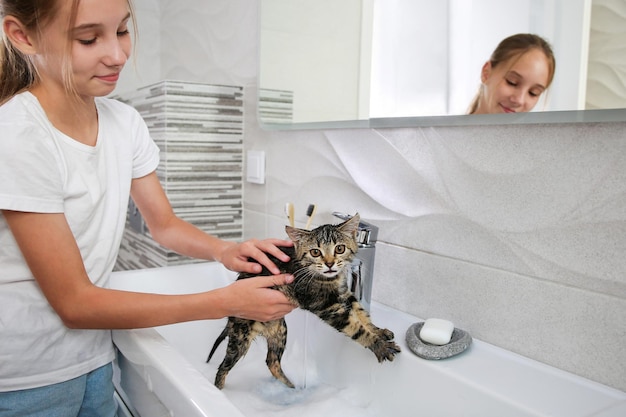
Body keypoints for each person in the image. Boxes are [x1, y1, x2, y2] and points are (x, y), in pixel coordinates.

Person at [0, 0, 296, 415]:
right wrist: (225, 301)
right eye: (88, 38)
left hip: (94, 358)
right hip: (24, 380)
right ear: (22, 35)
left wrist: (224, 250)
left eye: (122, 31)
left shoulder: (124, 122)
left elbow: (166, 226)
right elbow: (75, 303)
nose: (118, 55)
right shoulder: (17, 135)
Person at [467, 33, 556, 114]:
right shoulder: (454, 130)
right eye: (512, 82)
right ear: (486, 73)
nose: (519, 100)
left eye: (533, 93)